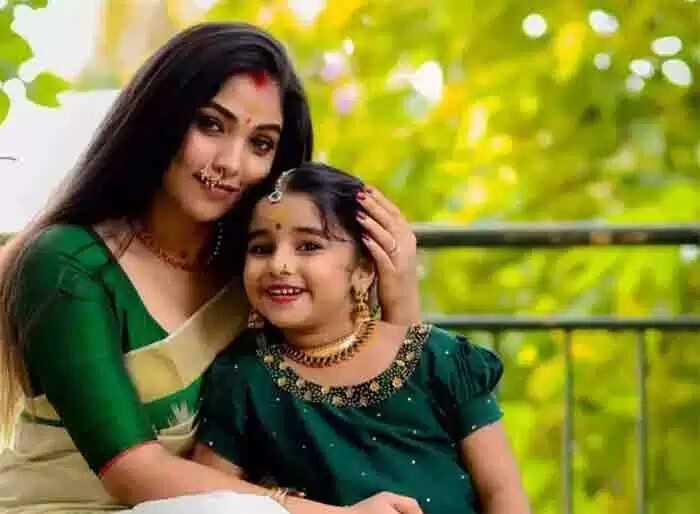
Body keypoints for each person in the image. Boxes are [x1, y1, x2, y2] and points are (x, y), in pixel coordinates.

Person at [0, 23, 422, 513]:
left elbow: (391, 430)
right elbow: (133, 472)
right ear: (161, 118)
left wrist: (398, 288)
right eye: (211, 125)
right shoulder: (67, 262)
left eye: (260, 144)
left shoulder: (259, 272)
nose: (231, 163)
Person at [192, 162, 531, 513]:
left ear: (364, 270)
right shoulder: (243, 374)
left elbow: (502, 493)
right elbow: (207, 500)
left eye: (308, 246)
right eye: (261, 248)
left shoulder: (440, 359)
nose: (279, 265)